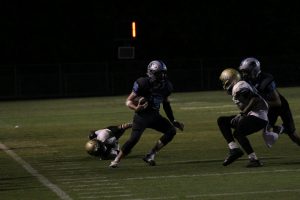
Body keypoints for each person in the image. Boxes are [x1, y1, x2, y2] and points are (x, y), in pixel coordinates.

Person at [109, 60, 184, 168]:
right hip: (142, 116)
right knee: (134, 139)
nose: (162, 76)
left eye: (163, 73)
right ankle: (116, 160)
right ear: (151, 72)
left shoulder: (167, 86)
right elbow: (128, 101)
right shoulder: (142, 83)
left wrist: (173, 120)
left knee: (171, 130)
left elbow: (166, 104)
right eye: (159, 73)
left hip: (155, 116)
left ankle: (151, 154)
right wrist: (136, 108)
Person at [239, 57, 300, 146]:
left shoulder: (265, 79)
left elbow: (277, 102)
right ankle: (281, 129)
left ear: (254, 70)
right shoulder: (247, 81)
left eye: (246, 71)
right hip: (269, 108)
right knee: (267, 133)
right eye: (243, 71)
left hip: (280, 106)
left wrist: (259, 104)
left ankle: (284, 128)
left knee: (293, 135)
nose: (244, 74)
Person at [218, 68, 269, 167]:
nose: (223, 83)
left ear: (230, 79)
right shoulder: (238, 87)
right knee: (222, 121)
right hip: (254, 115)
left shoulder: (239, 86)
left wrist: (243, 114)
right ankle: (234, 149)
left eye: (224, 80)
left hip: (259, 117)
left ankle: (254, 160)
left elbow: (255, 99)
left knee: (238, 133)